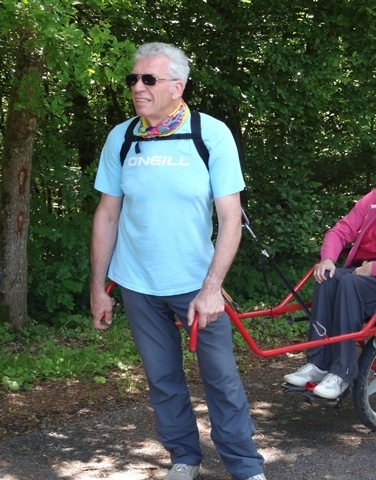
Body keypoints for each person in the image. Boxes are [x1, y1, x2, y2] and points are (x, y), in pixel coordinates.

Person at [90, 42, 266, 480]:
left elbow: (230, 219)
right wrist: (98, 287)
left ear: (177, 86)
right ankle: (184, 458)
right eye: (134, 79)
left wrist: (211, 289)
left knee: (222, 381)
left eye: (149, 79)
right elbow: (107, 213)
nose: (137, 87)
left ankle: (245, 468)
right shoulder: (123, 137)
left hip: (195, 283)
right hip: (137, 284)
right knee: (163, 381)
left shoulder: (210, 133)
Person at [283, 155, 376, 399]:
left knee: (349, 282)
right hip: (360, 271)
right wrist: (327, 258)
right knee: (328, 278)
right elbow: (341, 230)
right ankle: (318, 364)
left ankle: (343, 373)